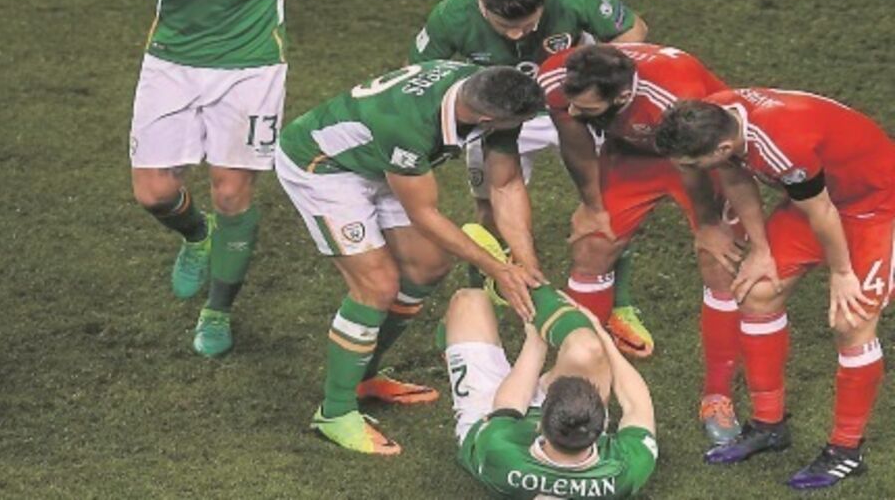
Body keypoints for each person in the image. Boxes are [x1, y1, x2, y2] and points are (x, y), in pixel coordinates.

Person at [82, 0, 354, 358]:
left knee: (232, 194)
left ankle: (218, 310)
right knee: (154, 193)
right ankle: (196, 235)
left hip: (252, 66)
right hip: (171, 60)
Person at [276, 60, 548, 454]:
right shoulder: (408, 124)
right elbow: (425, 214)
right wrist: (496, 268)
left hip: (382, 160)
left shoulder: (493, 90)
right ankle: (334, 412)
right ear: (488, 120)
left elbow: (504, 184)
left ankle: (363, 376)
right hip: (324, 167)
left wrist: (525, 263)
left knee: (428, 267)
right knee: (377, 286)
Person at [410, 0, 654, 357]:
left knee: (609, 201)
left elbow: (634, 29)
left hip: (570, 106)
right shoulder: (451, 15)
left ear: (544, 1)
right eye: (503, 26)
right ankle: (476, 305)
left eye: (527, 25)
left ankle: (619, 305)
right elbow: (423, 74)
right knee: (489, 210)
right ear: (481, 3)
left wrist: (596, 83)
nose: (516, 34)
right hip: (500, 114)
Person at [656, 90, 895, 490]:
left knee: (851, 320)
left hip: (878, 206)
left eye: (692, 163)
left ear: (723, 147)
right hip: (819, 202)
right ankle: (769, 425)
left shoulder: (784, 142)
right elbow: (734, 176)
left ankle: (846, 450)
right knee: (758, 292)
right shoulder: (719, 117)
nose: (686, 170)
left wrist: (842, 272)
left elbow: (823, 212)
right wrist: (761, 250)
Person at [537, 43, 744, 445]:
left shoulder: (676, 95)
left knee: (719, 262)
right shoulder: (558, 78)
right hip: (632, 157)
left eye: (588, 107)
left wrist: (708, 225)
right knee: (593, 246)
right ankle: (577, 380)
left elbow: (698, 160)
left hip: (703, 159)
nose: (574, 110)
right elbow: (573, 134)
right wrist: (591, 205)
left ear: (622, 97)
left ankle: (718, 394)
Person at [444, 282, 658, 498]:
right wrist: (603, 338)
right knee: (588, 348)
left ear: (539, 425)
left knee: (468, 302)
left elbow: (509, 405)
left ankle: (516, 280)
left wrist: (535, 336)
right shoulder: (622, 472)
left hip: (489, 418)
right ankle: (520, 284)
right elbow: (638, 405)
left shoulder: (496, 449)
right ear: (601, 427)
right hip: (525, 426)